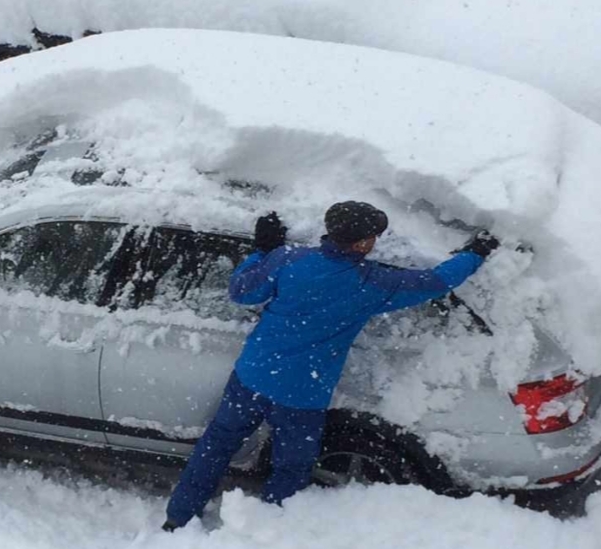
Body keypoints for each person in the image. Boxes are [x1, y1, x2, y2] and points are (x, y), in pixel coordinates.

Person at [163, 200, 499, 531]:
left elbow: (241, 291)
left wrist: (262, 251)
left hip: (252, 377)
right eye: (373, 237)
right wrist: (476, 253)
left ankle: (178, 517)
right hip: (302, 395)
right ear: (362, 242)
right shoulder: (372, 282)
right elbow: (436, 281)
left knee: (216, 446)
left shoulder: (287, 259)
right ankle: (269, 529)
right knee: (290, 467)